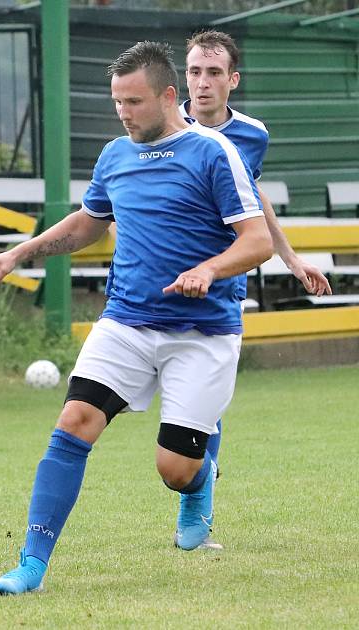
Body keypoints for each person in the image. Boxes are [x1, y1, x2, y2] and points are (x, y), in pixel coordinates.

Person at [0, 41, 273, 595]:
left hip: (203, 333)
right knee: (73, 425)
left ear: (168, 96)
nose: (123, 112)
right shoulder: (115, 154)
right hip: (126, 323)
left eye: (134, 101)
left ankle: (198, 478)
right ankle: (31, 565)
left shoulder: (214, 152)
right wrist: (22, 252)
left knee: (175, 470)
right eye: (117, 101)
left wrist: (210, 270)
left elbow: (256, 240)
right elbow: (88, 224)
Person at [179, 29, 332, 545]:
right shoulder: (162, 125)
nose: (202, 83)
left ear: (233, 80)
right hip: (159, 282)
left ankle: (194, 521)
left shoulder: (253, 135)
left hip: (222, 281)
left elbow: (251, 199)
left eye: (214, 72)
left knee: (208, 401)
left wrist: (289, 258)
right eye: (195, 71)